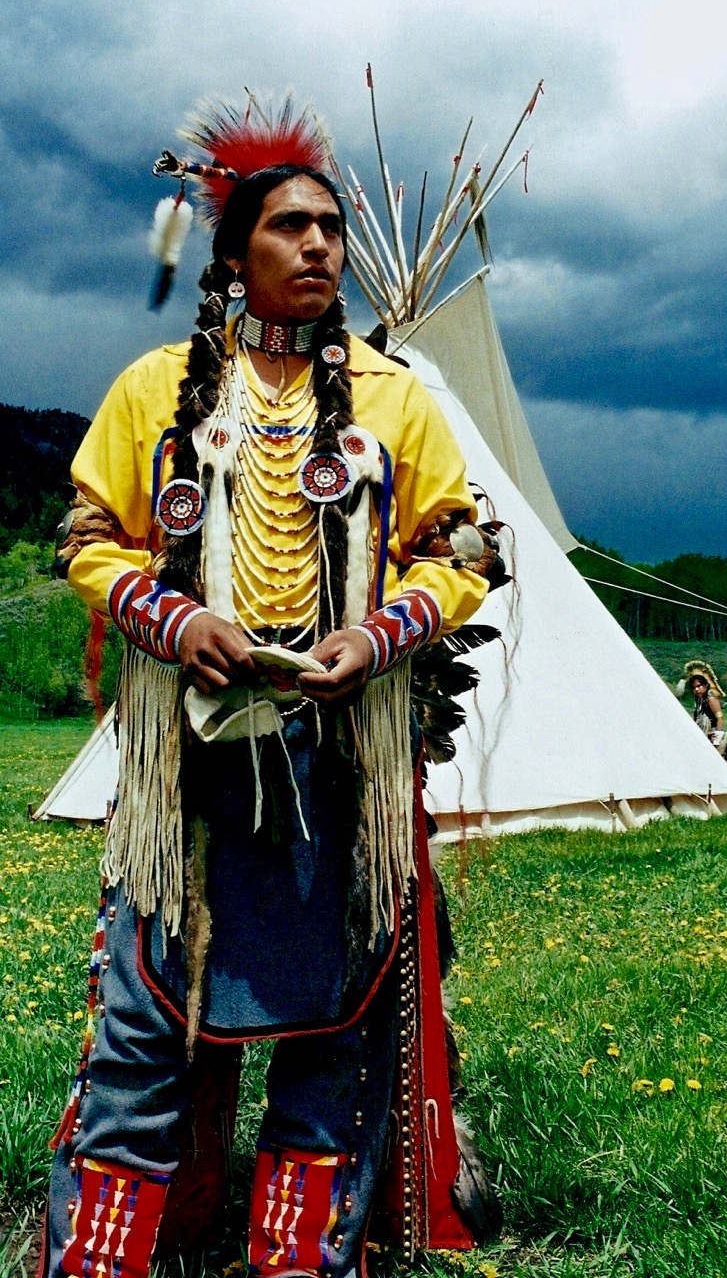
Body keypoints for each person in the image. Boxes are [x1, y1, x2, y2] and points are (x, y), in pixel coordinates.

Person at [42, 99, 502, 1278]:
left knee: (331, 1039)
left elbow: (465, 551)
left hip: (334, 765)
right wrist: (177, 614)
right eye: (291, 226)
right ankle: (96, 1261)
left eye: (332, 229)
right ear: (235, 251)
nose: (319, 247)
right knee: (146, 1022)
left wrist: (382, 636)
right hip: (185, 771)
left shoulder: (394, 399)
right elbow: (90, 536)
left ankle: (299, 1261)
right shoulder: (156, 387)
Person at [680, 660, 727, 755]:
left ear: (706, 685)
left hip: (713, 738)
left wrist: (717, 738)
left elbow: (720, 718)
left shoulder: (711, 699)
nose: (696, 689)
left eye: (699, 686)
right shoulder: (699, 701)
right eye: (694, 688)